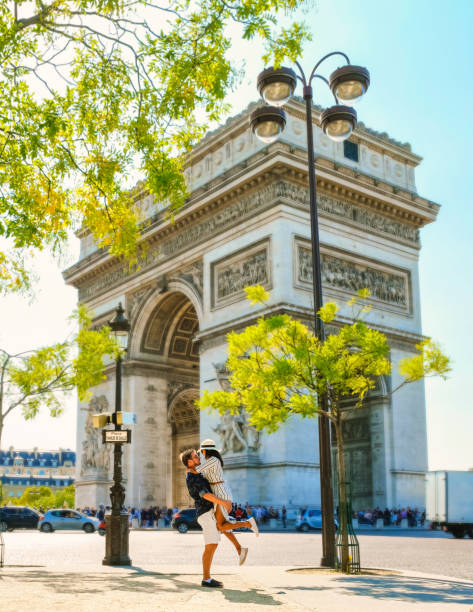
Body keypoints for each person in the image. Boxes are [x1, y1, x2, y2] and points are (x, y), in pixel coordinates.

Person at [181, 448, 257, 588]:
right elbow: (204, 494)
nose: (198, 457)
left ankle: (241, 544)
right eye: (195, 456)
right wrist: (223, 502)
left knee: (221, 529)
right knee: (211, 545)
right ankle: (206, 579)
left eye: (198, 455)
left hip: (209, 511)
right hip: (205, 513)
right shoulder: (192, 476)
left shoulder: (197, 473)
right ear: (190, 461)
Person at [196, 439, 259, 537]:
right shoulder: (212, 461)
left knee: (219, 526)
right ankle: (245, 526)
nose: (201, 453)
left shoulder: (213, 460)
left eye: (201, 452)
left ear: (205, 451)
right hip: (218, 493)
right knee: (219, 526)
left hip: (221, 494)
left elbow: (197, 470)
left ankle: (248, 523)